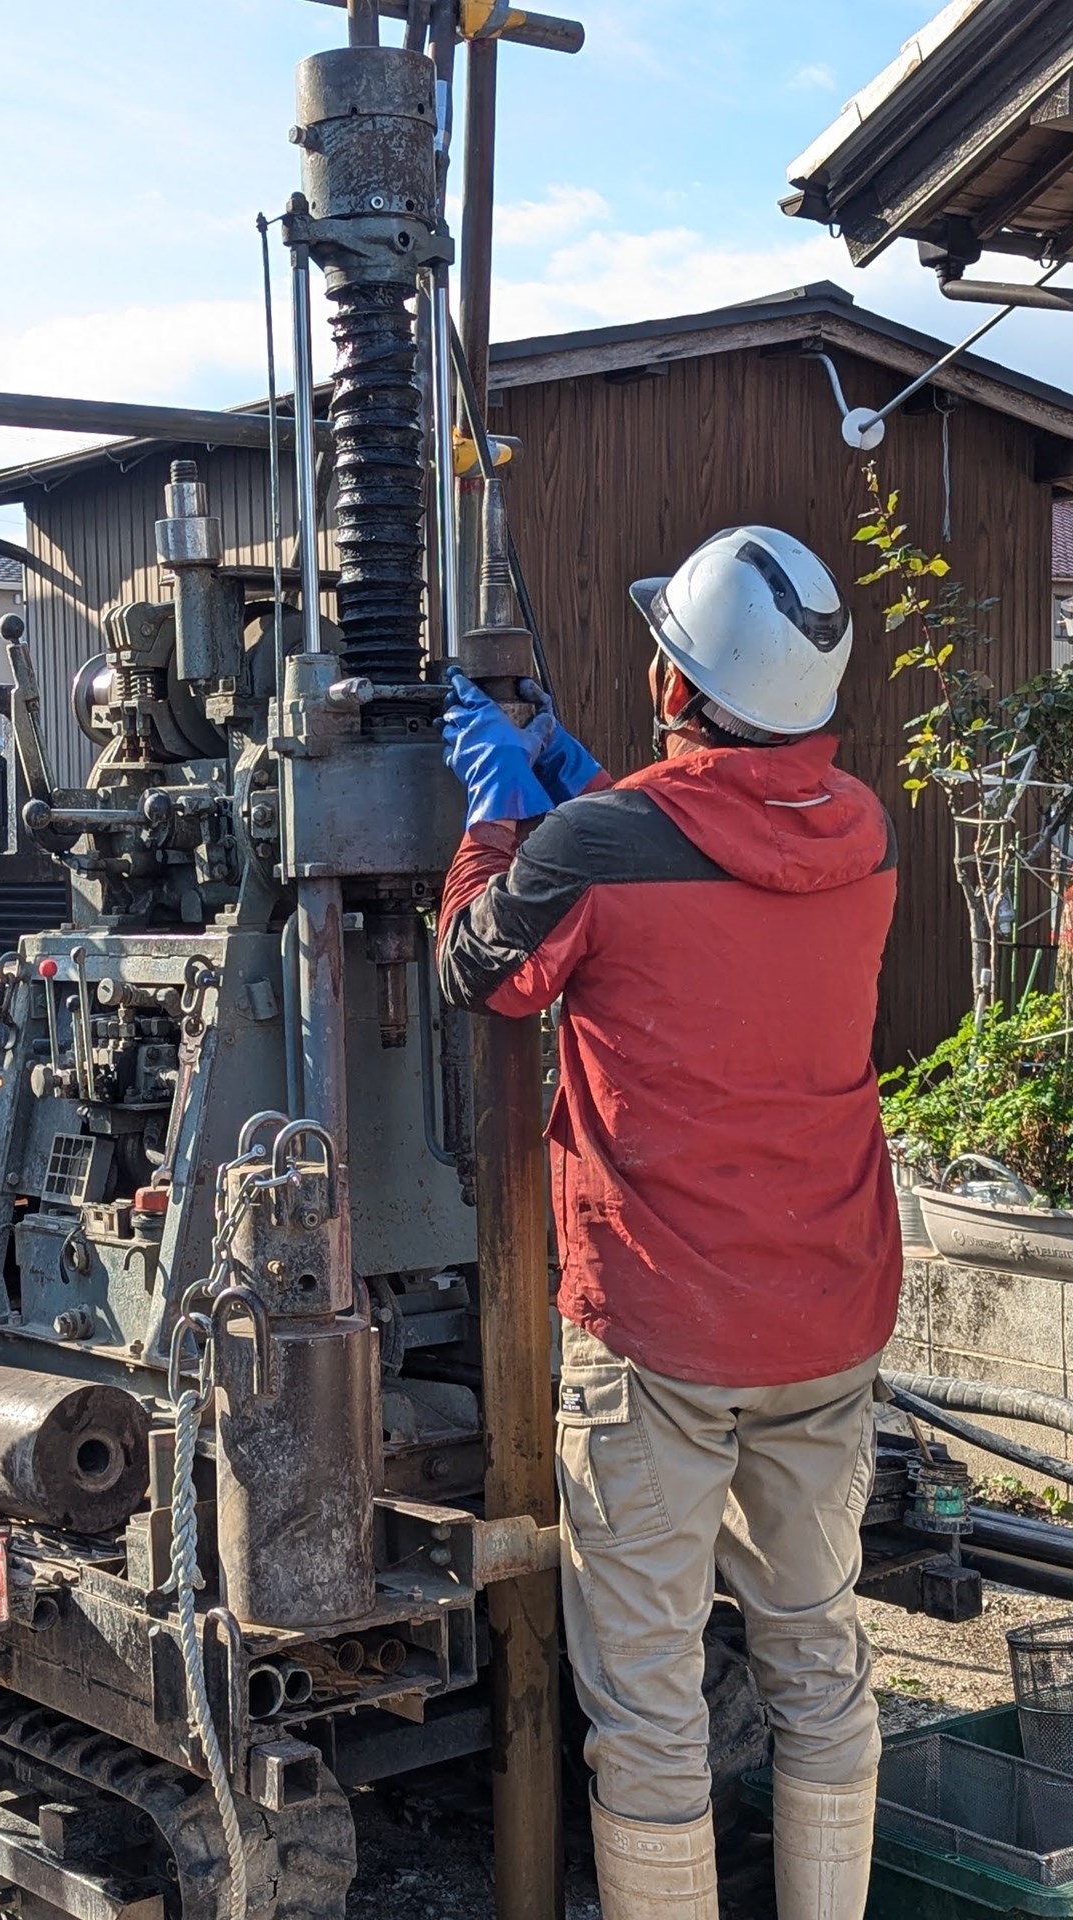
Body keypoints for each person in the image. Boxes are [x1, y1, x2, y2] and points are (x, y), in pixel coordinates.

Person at [437, 525, 900, 1920]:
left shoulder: (596, 845)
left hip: (662, 1333)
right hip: (826, 1311)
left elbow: (482, 971)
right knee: (816, 1652)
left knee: (646, 1702)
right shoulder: (865, 831)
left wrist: (497, 821)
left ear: (669, 683)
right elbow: (718, 880)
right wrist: (597, 809)